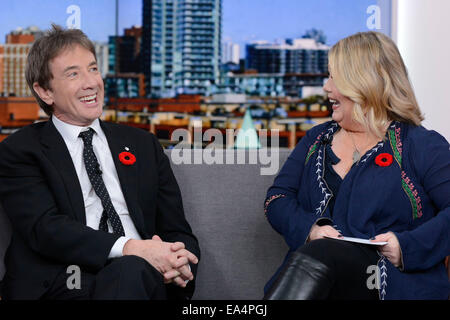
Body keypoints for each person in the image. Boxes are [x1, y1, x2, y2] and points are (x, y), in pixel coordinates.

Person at [0, 25, 200, 300]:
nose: (91, 82)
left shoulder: (143, 144)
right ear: (45, 91)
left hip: (142, 278)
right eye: (73, 74)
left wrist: (179, 262)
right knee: (130, 269)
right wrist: (131, 247)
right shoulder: (21, 150)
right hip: (65, 282)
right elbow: (46, 229)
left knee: (131, 272)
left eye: (93, 69)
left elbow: (176, 229)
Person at [263, 31, 449, 300]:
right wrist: (311, 229)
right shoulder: (316, 139)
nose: (326, 87)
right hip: (319, 280)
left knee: (322, 254)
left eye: (333, 77)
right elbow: (277, 199)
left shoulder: (421, 145)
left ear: (363, 83)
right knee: (320, 253)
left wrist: (407, 246)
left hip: (390, 282)